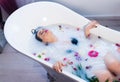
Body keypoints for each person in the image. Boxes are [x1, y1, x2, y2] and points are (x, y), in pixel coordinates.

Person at [33, 20, 120, 82]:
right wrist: (55, 64)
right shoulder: (51, 50)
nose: (44, 31)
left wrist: (86, 29)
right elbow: (57, 61)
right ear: (43, 41)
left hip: (94, 50)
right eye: (41, 33)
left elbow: (83, 39)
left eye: (43, 29)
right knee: (105, 76)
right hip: (84, 63)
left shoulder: (66, 33)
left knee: (114, 64)